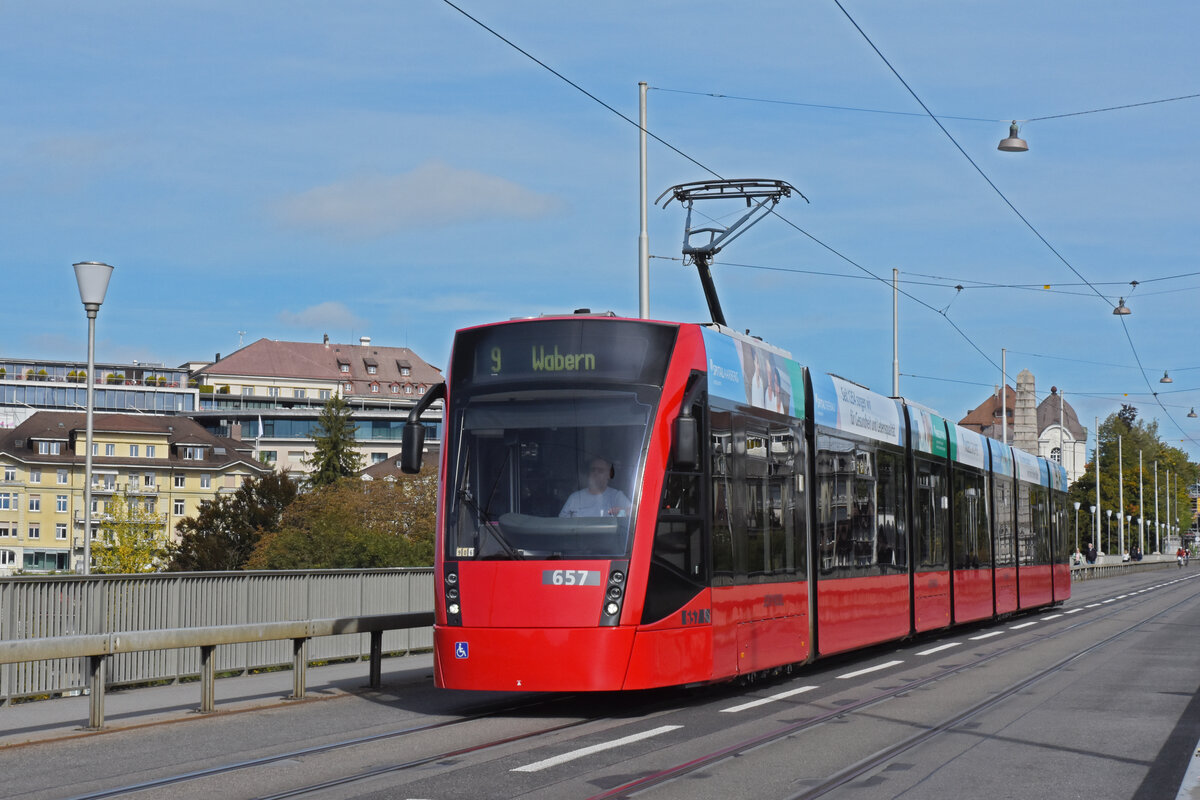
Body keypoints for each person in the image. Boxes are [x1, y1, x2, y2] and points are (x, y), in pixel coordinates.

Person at [560, 457, 631, 518]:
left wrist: (622, 512)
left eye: (600, 471)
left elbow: (635, 512)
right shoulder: (575, 498)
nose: (595, 473)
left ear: (608, 475)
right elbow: (562, 524)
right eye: (593, 470)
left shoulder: (616, 496)